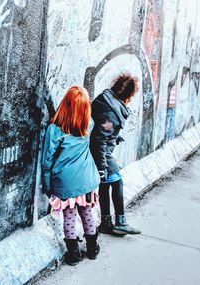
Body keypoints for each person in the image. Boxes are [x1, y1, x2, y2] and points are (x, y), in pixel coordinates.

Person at [42, 86, 101, 265]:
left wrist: (47, 185)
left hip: (65, 182)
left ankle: (73, 253)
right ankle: (92, 248)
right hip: (86, 180)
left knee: (69, 216)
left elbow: (46, 161)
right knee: (86, 212)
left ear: (64, 104)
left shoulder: (54, 130)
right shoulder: (88, 125)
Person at [90, 73, 141, 236]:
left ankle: (106, 223)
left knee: (104, 186)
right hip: (102, 155)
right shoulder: (112, 112)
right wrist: (102, 168)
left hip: (99, 152)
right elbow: (100, 140)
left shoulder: (106, 99)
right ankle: (120, 222)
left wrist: (114, 135)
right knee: (117, 181)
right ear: (127, 94)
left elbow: (101, 128)